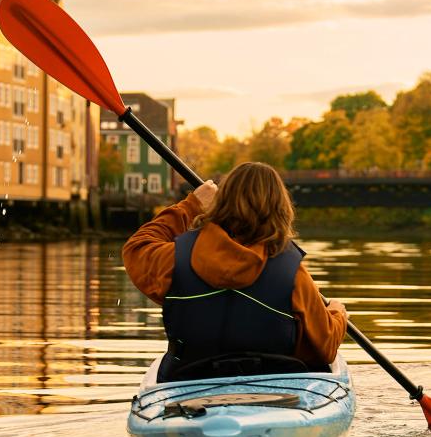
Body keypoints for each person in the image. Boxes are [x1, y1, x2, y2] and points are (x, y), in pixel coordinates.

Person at [124, 161, 349, 382]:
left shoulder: (174, 259)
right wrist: (337, 314)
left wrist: (192, 205)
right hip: (274, 392)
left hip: (189, 385)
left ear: (220, 204)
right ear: (281, 210)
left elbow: (137, 246)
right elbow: (326, 348)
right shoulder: (294, 276)